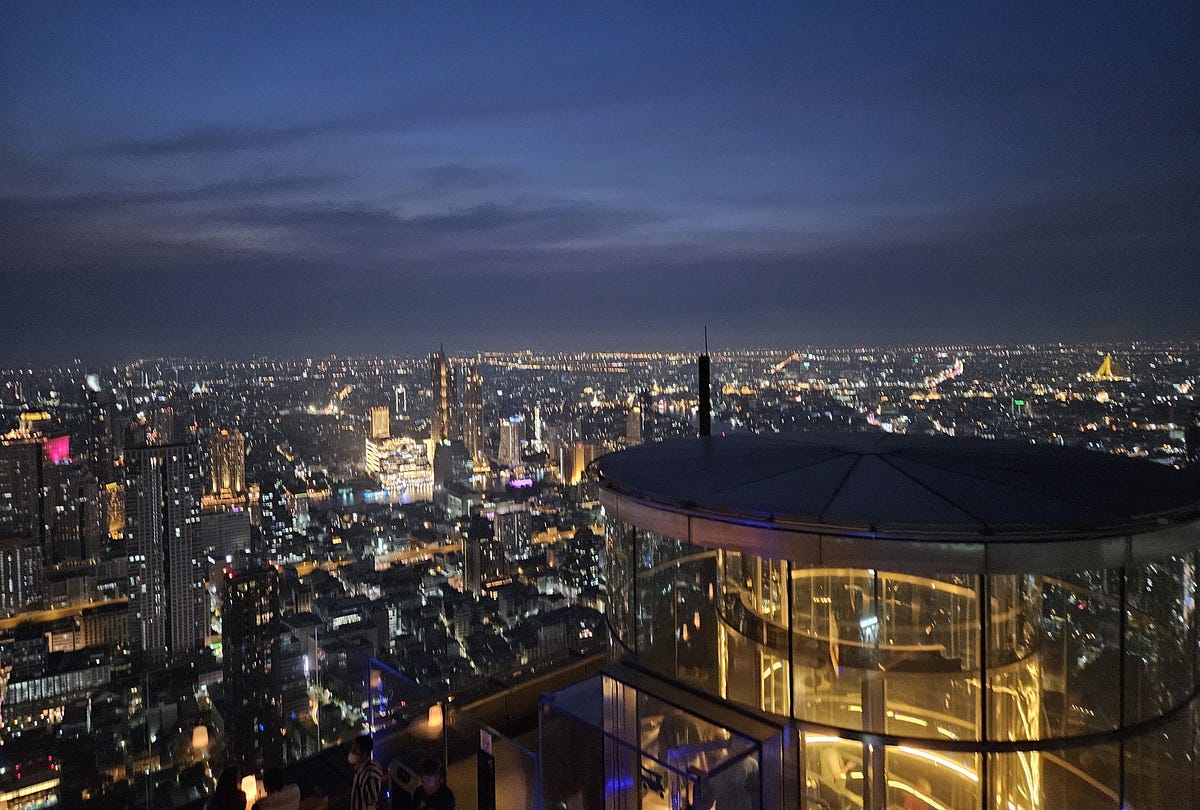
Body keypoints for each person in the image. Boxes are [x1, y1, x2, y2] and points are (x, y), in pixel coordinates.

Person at [348, 735, 384, 810]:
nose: (352, 751)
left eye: (355, 749)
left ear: (363, 753)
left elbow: (371, 799)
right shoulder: (359, 769)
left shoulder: (371, 772)